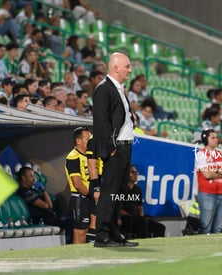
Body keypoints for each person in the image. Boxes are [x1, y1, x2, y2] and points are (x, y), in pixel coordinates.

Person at [92, 52, 138, 247]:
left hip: (125, 147)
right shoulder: (104, 89)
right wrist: (110, 147)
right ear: (115, 67)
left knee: (118, 193)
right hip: (116, 148)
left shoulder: (118, 88)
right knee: (110, 192)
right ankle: (101, 235)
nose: (130, 70)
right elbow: (101, 121)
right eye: (127, 66)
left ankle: (113, 232)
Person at [195, 129, 222, 234]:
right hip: (207, 193)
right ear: (205, 139)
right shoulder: (201, 154)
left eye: (216, 137)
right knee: (206, 227)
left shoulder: (221, 154)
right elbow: (207, 175)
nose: (216, 140)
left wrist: (215, 171)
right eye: (213, 138)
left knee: (217, 228)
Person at [119, 165, 165, 238]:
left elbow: (139, 207)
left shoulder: (137, 189)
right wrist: (132, 217)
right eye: (132, 172)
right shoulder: (120, 189)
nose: (135, 174)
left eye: (136, 172)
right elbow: (117, 208)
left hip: (136, 218)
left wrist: (141, 217)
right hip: (124, 218)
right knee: (141, 222)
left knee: (160, 227)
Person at [65, 127, 92, 244]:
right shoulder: (73, 156)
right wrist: (92, 196)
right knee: (80, 233)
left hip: (90, 197)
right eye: (87, 138)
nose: (90, 141)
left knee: (89, 232)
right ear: (78, 141)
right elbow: (77, 183)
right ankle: (77, 259)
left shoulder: (90, 156)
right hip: (80, 199)